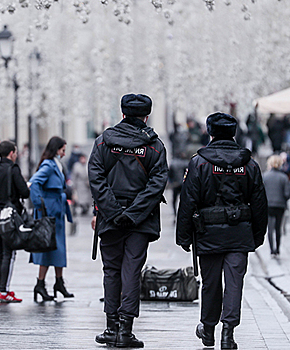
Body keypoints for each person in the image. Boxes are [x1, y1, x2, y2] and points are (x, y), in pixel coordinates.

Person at [176, 112, 267, 349]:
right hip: (239, 233)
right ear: (234, 133)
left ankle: (207, 330)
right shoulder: (249, 164)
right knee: (235, 283)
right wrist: (257, 235)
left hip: (208, 233)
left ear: (210, 132)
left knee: (211, 283)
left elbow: (188, 200)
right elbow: (259, 202)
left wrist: (184, 236)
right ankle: (228, 333)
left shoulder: (199, 162)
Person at [89, 94, 168, 348]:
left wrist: (113, 211)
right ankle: (126, 330)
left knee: (111, 270)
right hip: (140, 221)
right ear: (146, 117)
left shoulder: (104, 142)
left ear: (122, 114)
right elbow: (157, 184)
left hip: (110, 219)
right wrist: (133, 213)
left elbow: (96, 177)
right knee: (132, 270)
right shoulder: (154, 146)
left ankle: (111, 327)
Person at [29, 136, 74, 302]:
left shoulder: (56, 164)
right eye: (63, 149)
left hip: (57, 209)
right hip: (50, 210)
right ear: (57, 149)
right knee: (48, 247)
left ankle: (58, 282)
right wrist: (39, 204)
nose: (64, 152)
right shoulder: (48, 165)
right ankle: (41, 284)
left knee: (58, 248)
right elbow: (34, 183)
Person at [0, 140, 30, 303]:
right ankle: (3, 291)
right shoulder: (13, 169)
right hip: (10, 216)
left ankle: (0, 289)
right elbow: (24, 192)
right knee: (8, 254)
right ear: (12, 153)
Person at [262, 154, 290, 257]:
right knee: (278, 228)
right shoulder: (284, 177)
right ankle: (277, 249)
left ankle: (271, 250)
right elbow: (287, 193)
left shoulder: (265, 176)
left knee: (270, 228)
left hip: (269, 205)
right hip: (280, 205)